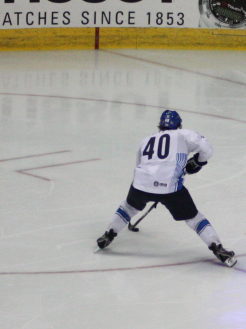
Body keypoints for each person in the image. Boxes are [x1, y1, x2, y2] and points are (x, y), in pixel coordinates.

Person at [95, 110, 236, 267]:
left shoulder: (146, 140)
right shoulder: (183, 134)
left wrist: (152, 189)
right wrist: (197, 161)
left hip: (142, 185)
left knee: (128, 208)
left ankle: (108, 234)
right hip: (170, 190)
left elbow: (139, 166)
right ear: (179, 125)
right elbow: (207, 149)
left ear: (160, 125)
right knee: (194, 218)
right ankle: (217, 248)